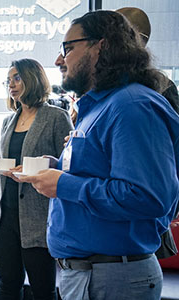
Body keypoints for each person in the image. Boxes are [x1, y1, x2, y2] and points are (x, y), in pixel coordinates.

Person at [20, 10, 179, 300]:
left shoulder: (131, 106)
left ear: (101, 46)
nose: (59, 60)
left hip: (112, 279)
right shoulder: (102, 106)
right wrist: (60, 171)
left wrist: (64, 185)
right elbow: (105, 172)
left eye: (67, 48)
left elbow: (148, 197)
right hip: (92, 276)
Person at [0, 59, 73, 300]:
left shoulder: (56, 117)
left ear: (33, 79)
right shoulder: (8, 120)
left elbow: (68, 164)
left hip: (38, 217)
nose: (11, 85)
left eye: (17, 78)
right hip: (4, 216)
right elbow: (8, 160)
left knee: (43, 290)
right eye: (8, 80)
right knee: (8, 285)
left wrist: (38, 168)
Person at [117, 6, 179, 259]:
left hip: (145, 197)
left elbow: (174, 148)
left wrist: (171, 202)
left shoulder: (160, 87)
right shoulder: (104, 87)